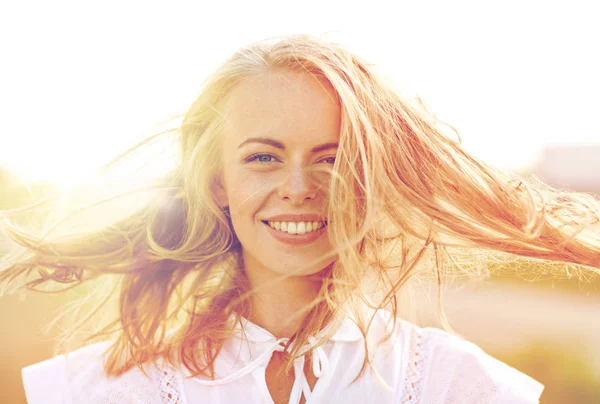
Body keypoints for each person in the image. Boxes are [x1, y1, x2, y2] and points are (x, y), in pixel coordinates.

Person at [2, 34, 599, 404]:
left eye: (333, 159)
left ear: (373, 182)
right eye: (263, 158)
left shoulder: (463, 387)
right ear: (218, 185)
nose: (298, 189)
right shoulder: (94, 391)